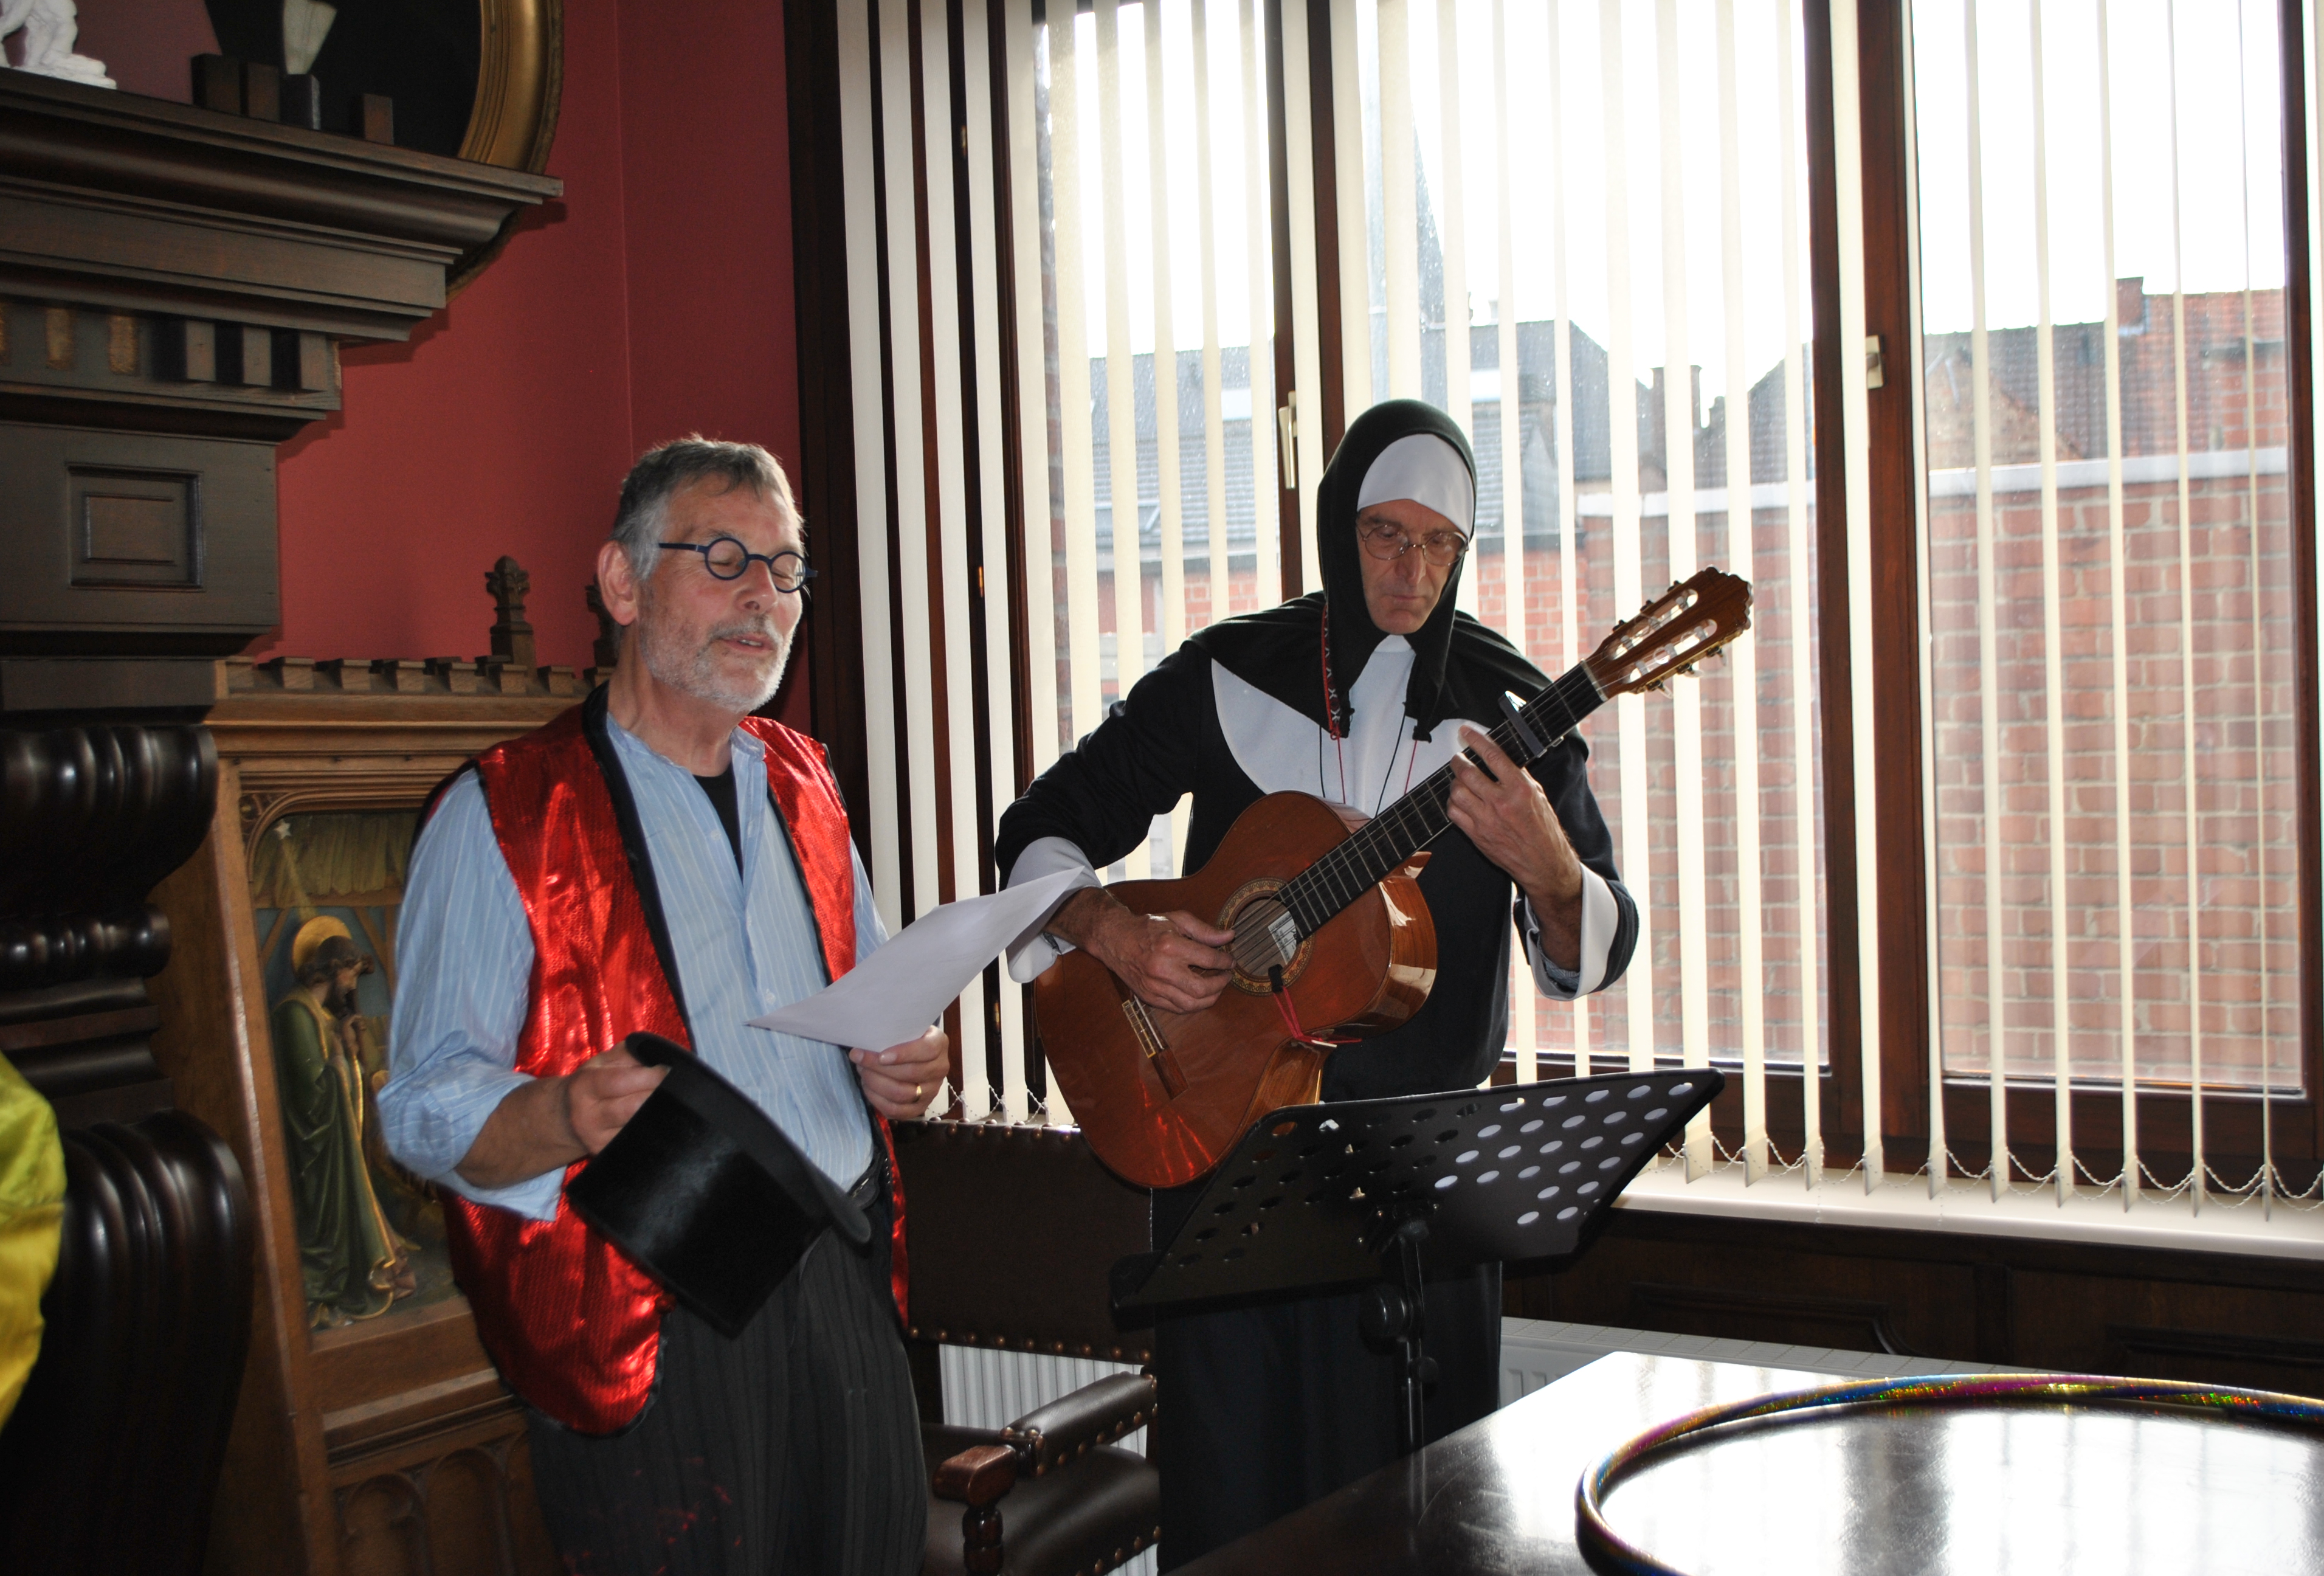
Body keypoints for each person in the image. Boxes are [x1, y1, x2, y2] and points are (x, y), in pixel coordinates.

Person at [998, 398, 1640, 1564]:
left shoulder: (1512, 712)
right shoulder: (1228, 673)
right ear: (1338, 527)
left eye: (1439, 544)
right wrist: (1112, 933)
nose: (1411, 571)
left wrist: (1548, 867)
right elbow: (1039, 829)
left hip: (1422, 1194)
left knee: (1418, 1530)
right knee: (1235, 1517)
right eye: (1386, 534)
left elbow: (1593, 948)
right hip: (1225, 1164)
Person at [381, 438, 950, 1576]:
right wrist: (560, 1114)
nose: (764, 597)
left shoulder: (806, 781)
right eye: (726, 559)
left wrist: (909, 1061)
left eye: (785, 570)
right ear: (623, 583)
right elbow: (420, 1106)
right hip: (660, 1317)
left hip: (843, 1279)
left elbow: (879, 1002)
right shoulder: (507, 811)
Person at [272, 916, 413, 1327]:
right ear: (332, 971)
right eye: (350, 977)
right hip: (314, 1153)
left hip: (335, 1147)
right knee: (326, 1231)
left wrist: (348, 1050)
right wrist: (340, 1058)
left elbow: (343, 1076)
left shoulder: (319, 1014)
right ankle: (333, 1284)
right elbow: (310, 1098)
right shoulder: (294, 1014)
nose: (352, 987)